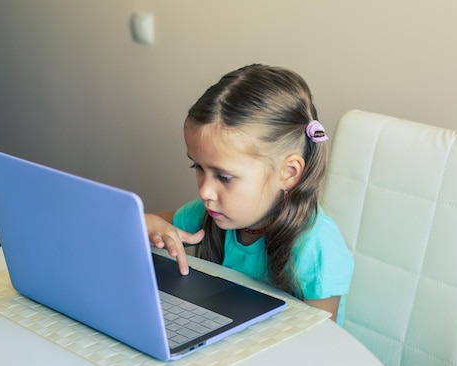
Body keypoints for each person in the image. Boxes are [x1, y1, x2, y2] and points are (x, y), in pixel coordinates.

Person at [145, 64, 353, 324]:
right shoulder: (208, 214)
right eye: (197, 167)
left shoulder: (317, 247)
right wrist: (146, 224)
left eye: (224, 177)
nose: (205, 191)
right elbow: (140, 225)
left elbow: (320, 347)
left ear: (288, 173)